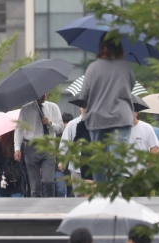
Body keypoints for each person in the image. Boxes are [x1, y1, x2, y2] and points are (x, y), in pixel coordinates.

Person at [80, 38, 136, 182]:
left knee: (99, 160)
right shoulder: (126, 66)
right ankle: (117, 191)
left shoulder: (92, 67)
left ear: (101, 47)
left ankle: (101, 193)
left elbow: (84, 94)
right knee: (119, 157)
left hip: (98, 118)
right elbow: (131, 86)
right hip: (121, 117)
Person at [13, 93, 64, 197]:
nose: (45, 95)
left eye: (46, 92)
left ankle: (49, 204)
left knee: (48, 181)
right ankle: (36, 208)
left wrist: (50, 123)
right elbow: (19, 129)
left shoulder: (53, 107)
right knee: (35, 185)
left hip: (48, 145)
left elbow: (60, 128)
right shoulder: (26, 109)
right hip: (32, 145)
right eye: (42, 93)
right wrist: (17, 148)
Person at [59, 106, 92, 196]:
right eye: (83, 107)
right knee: (79, 194)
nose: (85, 109)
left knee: (91, 194)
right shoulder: (73, 124)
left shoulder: (96, 123)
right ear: (79, 108)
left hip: (91, 166)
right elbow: (64, 143)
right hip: (75, 166)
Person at [0, 131, 25, 198]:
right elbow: (25, 163)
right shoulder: (22, 145)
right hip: (17, 182)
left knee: (1, 207)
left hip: (2, 182)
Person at [55, 112, 74, 198]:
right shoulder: (56, 137)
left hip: (72, 168)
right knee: (60, 190)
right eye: (64, 122)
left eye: (68, 122)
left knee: (72, 192)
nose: (65, 125)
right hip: (58, 169)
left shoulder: (74, 136)